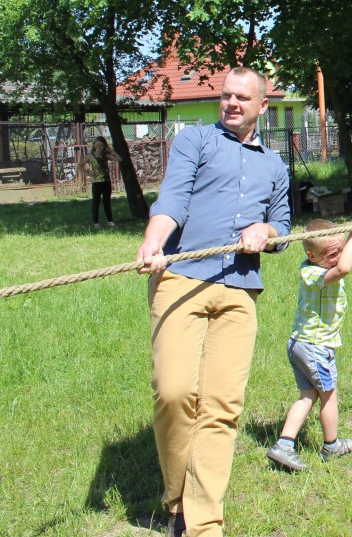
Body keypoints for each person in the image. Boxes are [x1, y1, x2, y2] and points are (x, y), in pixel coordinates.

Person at [135, 66, 291, 537]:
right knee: (175, 393)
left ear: (263, 105)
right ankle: (177, 498)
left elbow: (283, 226)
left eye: (243, 97)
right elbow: (171, 200)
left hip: (239, 287)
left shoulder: (274, 165)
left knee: (221, 405)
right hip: (181, 278)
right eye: (226, 95)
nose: (232, 104)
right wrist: (153, 241)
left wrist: (265, 230)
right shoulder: (195, 141)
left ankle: (202, 523)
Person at [266, 217, 352, 471]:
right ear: (312, 256)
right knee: (329, 397)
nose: (338, 257)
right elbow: (344, 268)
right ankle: (331, 446)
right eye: (332, 253)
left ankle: (285, 444)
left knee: (308, 396)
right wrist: (351, 236)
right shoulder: (313, 273)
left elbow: (351, 249)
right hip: (315, 347)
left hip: (302, 344)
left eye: (340, 251)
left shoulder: (325, 261)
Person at [88, 136, 122, 227]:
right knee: (96, 202)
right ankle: (96, 223)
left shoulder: (106, 155)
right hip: (96, 183)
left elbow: (119, 159)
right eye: (97, 144)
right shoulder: (91, 156)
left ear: (104, 146)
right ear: (94, 145)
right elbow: (80, 165)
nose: (99, 146)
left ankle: (110, 221)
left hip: (106, 182)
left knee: (107, 202)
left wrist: (111, 150)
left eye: (101, 145)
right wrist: (88, 173)